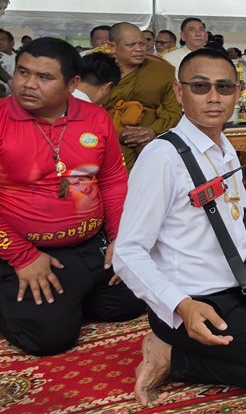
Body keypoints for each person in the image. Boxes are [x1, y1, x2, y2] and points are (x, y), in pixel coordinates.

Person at [113, 48, 246, 407]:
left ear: (237, 93)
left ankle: (196, 341)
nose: (213, 97)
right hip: (194, 300)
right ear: (179, 92)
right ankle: (175, 357)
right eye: (200, 86)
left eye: (223, 87)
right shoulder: (162, 157)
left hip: (238, 285)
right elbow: (128, 252)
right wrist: (181, 305)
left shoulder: (223, 148)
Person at [0, 37, 144, 356]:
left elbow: (112, 180)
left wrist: (120, 238)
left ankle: (70, 292)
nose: (28, 84)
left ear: (72, 84)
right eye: (22, 72)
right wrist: (23, 258)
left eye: (44, 77)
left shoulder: (95, 117)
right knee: (49, 338)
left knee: (129, 302)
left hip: (90, 244)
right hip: (24, 248)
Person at [105, 23, 182, 171]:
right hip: (106, 141)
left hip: (151, 143)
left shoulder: (162, 71)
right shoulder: (99, 71)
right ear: (112, 46)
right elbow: (88, 110)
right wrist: (114, 135)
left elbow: (173, 110)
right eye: (131, 45)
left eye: (142, 44)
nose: (139, 49)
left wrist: (152, 131)